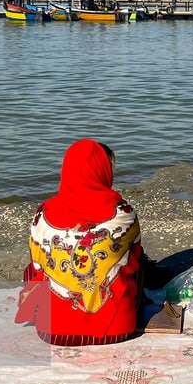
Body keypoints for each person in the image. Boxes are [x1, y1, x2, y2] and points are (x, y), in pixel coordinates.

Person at [14, 139, 145, 346]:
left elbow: (38, 266)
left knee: (33, 269)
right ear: (102, 172)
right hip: (118, 329)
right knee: (134, 263)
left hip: (52, 331)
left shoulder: (43, 215)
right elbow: (135, 261)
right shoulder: (124, 213)